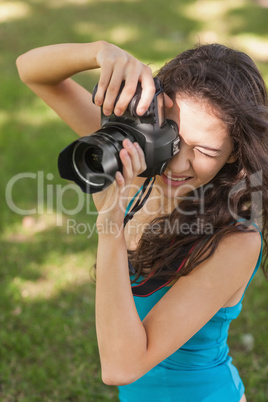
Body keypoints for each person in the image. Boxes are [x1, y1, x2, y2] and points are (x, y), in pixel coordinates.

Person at [16, 40, 268, 402]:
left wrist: (111, 228)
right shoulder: (139, 164)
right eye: (173, 139)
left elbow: (122, 366)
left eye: (207, 151)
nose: (179, 164)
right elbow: (31, 70)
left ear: (234, 154)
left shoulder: (236, 239)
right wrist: (100, 52)